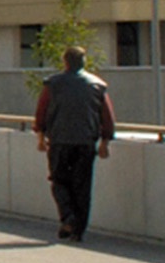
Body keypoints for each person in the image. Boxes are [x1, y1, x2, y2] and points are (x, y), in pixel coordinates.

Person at [33, 44, 116, 243]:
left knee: (59, 181)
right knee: (82, 186)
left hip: (59, 141)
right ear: (83, 62)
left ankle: (68, 217)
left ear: (65, 62)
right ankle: (78, 230)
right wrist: (105, 141)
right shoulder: (97, 85)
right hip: (85, 142)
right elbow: (107, 117)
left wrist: (40, 137)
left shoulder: (52, 84)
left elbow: (41, 112)